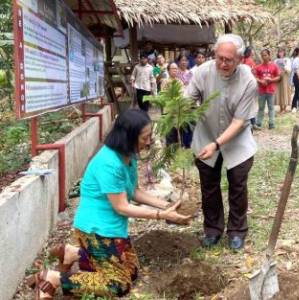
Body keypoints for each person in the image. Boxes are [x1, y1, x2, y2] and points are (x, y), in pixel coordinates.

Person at [27, 109, 191, 299]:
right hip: (96, 231)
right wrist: (160, 216)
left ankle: (75, 254)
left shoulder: (129, 155)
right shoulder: (108, 163)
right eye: (145, 137)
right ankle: (55, 278)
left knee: (132, 272)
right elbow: (121, 206)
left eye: (149, 136)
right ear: (128, 137)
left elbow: (134, 192)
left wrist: (164, 205)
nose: (148, 142)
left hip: (112, 229)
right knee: (118, 285)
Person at [186, 34, 257, 250]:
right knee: (209, 184)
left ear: (240, 59)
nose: (223, 64)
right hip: (206, 135)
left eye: (229, 60)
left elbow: (238, 122)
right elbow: (188, 99)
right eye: (220, 58)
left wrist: (217, 144)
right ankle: (212, 229)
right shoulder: (203, 71)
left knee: (237, 183)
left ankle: (237, 231)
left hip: (237, 141)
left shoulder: (248, 82)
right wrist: (180, 112)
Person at [254, 49, 281, 129]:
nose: (264, 57)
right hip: (261, 91)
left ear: (269, 56)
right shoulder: (258, 67)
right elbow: (255, 77)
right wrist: (261, 81)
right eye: (262, 55)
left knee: (271, 107)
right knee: (261, 107)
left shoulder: (274, 66)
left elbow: (279, 77)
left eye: (265, 55)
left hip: (271, 90)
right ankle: (258, 123)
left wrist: (271, 80)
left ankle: (271, 123)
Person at [274, 48, 292, 113]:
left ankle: (284, 107)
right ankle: (281, 107)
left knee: (284, 91)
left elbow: (289, 70)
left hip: (285, 77)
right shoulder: (276, 60)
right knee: (279, 91)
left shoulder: (287, 60)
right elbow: (274, 68)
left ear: (284, 53)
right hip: (278, 77)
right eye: (279, 52)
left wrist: (284, 65)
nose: (281, 53)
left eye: (282, 52)